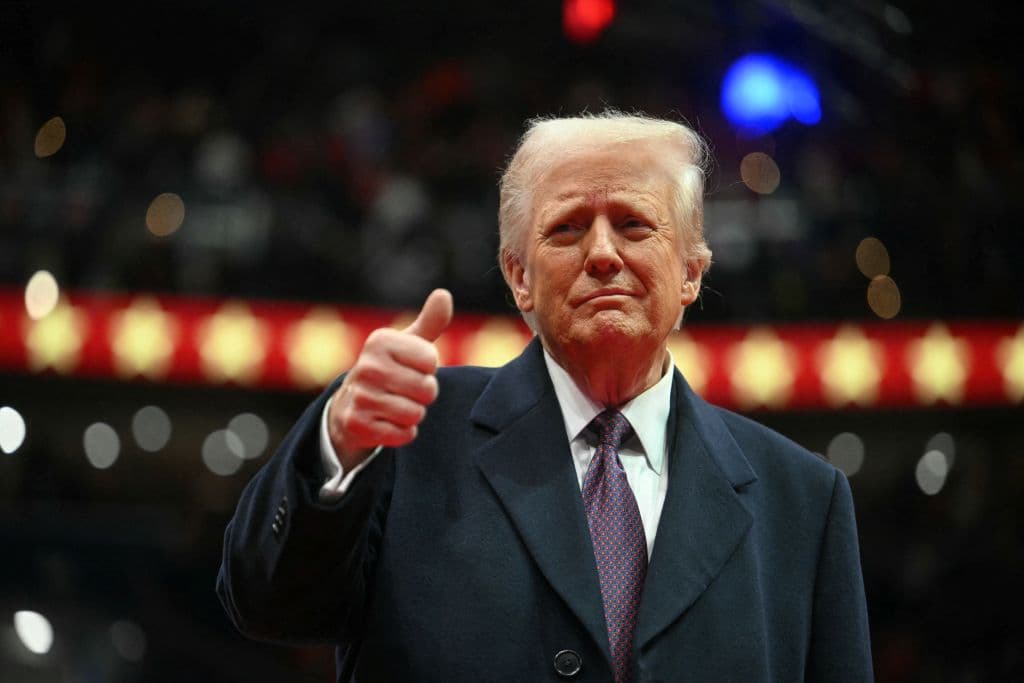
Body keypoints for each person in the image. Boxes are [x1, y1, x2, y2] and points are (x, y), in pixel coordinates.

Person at [217, 111, 873, 682]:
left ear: (692, 272)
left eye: (634, 224)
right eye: (566, 229)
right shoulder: (403, 434)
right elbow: (269, 607)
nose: (603, 253)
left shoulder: (804, 500)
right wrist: (337, 449)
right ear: (518, 276)